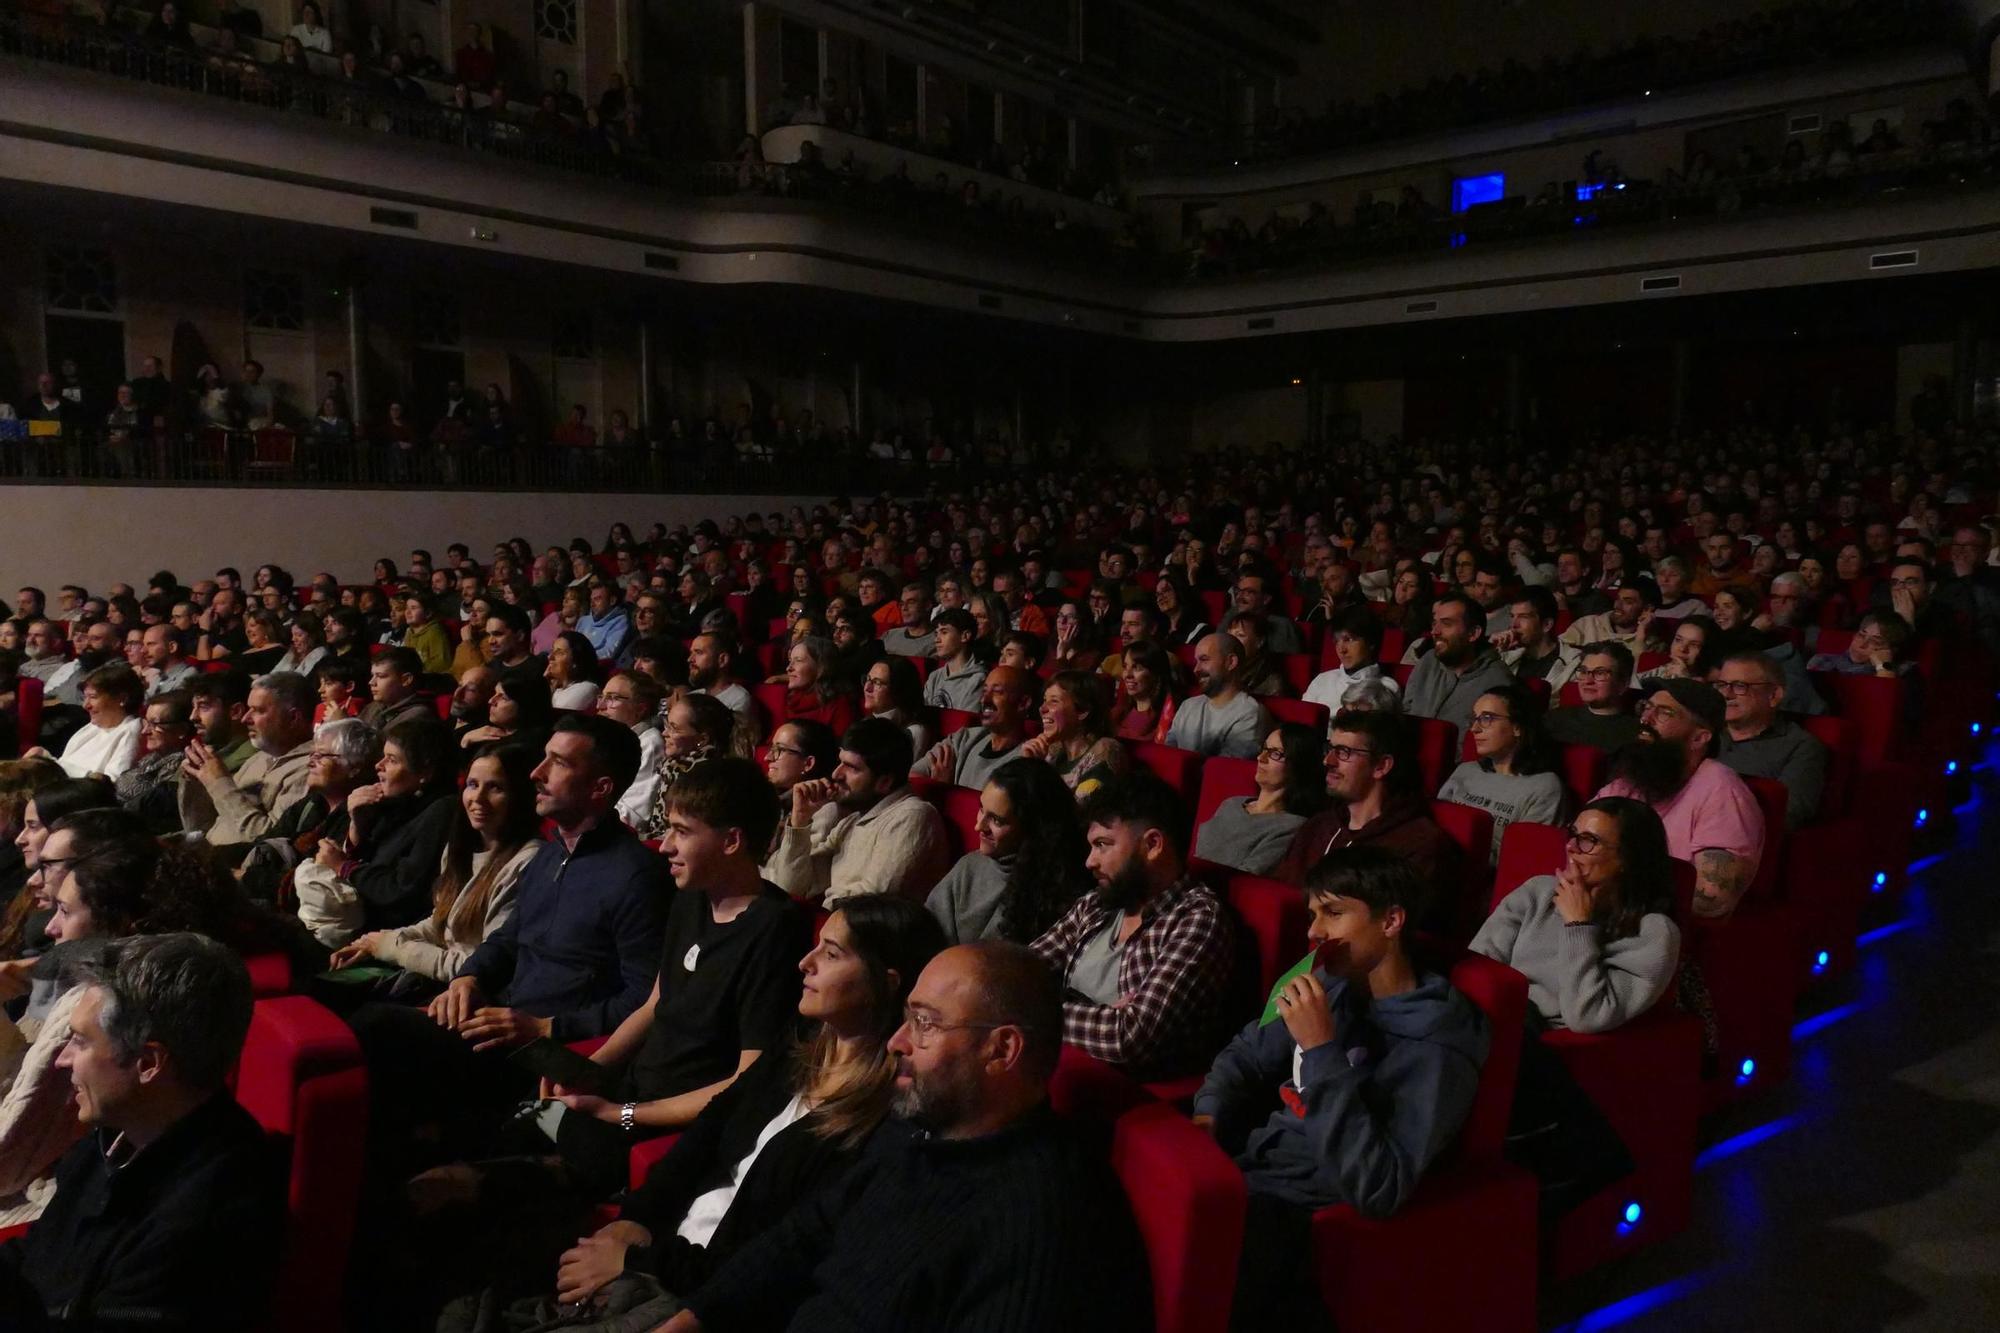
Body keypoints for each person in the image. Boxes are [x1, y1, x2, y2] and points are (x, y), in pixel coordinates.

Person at [487, 897, 946, 1327]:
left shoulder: (883, 1118)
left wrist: (636, 1261)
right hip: (665, 1245)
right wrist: (634, 1220)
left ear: (884, 983)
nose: (805, 964)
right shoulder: (800, 1044)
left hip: (701, 1293)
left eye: (831, 953)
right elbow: (709, 1128)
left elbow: (773, 1258)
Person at [650, 941, 1146, 1333]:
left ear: (1002, 1050)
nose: (897, 1042)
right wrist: (695, 1318)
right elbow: (802, 1236)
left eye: (925, 1024)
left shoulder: (1039, 1222)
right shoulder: (914, 1133)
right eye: (907, 1017)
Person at [346, 717, 667, 1167]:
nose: (536, 773)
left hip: (546, 1051)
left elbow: (643, 998)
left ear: (600, 788)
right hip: (499, 1024)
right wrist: (471, 976)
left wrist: (546, 1028)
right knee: (360, 1023)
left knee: (376, 1030)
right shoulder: (551, 852)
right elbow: (509, 937)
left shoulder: (635, 876)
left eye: (556, 763)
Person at [1196, 847, 1489, 1329]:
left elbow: (1379, 1188)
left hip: (1300, 1211)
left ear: (1391, 920)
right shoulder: (1330, 984)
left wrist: (1320, 1051)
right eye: (1313, 913)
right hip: (1248, 1170)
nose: (1313, 932)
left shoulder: (1438, 1043)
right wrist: (1207, 1117)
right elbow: (1245, 1054)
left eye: (1333, 913)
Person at [496, 759, 813, 1200]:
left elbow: (746, 1080)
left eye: (682, 831)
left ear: (731, 840)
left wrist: (622, 1113)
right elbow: (654, 1005)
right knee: (512, 1120)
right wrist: (587, 1071)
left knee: (517, 1179)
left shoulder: (774, 930)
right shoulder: (690, 899)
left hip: (670, 1119)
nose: (664, 845)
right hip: (628, 1094)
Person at [0, 934, 282, 1331]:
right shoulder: (119, 1130)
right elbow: (40, 1256)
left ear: (148, 1062)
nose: (63, 1060)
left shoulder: (205, 1217)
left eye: (80, 1042)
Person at [1029, 773, 1235, 1078]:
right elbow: (1021, 968)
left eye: (1102, 845)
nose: (1090, 861)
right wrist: (1099, 1017)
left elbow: (1128, 1037)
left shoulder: (1196, 918)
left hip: (1123, 1088)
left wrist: (1034, 1011)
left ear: (1152, 844)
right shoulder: (1098, 903)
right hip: (1058, 1058)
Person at [1472, 797, 1680, 1034]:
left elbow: (1587, 1017)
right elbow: (1478, 967)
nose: (1570, 846)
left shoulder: (1653, 933)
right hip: (1490, 1018)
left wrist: (1578, 925)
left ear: (1627, 859)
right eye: (1573, 834)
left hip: (1542, 1044)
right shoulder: (1539, 891)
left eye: (1589, 841)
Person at [1275, 710, 1465, 933]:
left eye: (1344, 752)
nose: (1328, 761)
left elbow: (1391, 937)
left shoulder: (1420, 845)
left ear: (1381, 766)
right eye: (1330, 748)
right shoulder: (1318, 826)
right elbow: (1281, 895)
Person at [1594, 679, 1764, 920]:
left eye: (1664, 712)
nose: (1646, 719)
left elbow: (1711, 900)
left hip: (1658, 931)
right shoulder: (1631, 780)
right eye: (1646, 707)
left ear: (1699, 738)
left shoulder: (1721, 790)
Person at [291, 716, 459, 947]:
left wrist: (342, 866)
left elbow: (401, 892)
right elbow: (368, 859)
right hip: (357, 922)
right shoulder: (395, 803)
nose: (378, 766)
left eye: (391, 760)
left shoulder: (443, 811)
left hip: (388, 934)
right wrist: (357, 825)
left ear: (425, 772)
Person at [765, 717, 948, 905]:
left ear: (884, 782)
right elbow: (792, 888)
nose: (836, 774)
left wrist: (821, 910)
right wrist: (800, 822)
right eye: (840, 762)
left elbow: (873, 901)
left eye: (851, 767)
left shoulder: (913, 816)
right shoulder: (851, 820)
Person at [926, 760, 1090, 945]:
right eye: (981, 809)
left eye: (997, 820)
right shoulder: (969, 866)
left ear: (1033, 826)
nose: (978, 826)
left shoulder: (1057, 891)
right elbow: (924, 928)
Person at [176, 671, 315, 852]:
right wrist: (196, 782)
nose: (245, 718)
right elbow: (201, 827)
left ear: (293, 717)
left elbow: (268, 841)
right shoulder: (257, 759)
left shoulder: (310, 769)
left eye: (258, 710)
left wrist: (218, 782)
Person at [1436, 683, 1567, 867]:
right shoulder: (1466, 770)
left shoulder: (1544, 787)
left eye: (1486, 718)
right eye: (1474, 719)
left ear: (1517, 727)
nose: (1474, 728)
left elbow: (1521, 861)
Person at [1193, 722, 1329, 877]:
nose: (1260, 758)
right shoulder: (1232, 803)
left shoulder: (1292, 827)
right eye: (1264, 749)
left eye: (1275, 753)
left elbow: (1246, 877)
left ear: (1298, 765)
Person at [1714, 651, 1829, 828]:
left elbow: (1789, 812)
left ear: (1773, 695)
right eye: (1722, 684)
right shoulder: (1703, 730)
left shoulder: (1800, 746)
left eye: (1739, 685)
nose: (1726, 694)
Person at [1404, 592, 1513, 741]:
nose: (1435, 631)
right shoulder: (1428, 660)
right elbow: (1407, 710)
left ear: (1473, 633)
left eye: (1447, 624)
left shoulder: (1498, 681)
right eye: (1434, 623)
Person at [912, 666, 1036, 790]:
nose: (984, 700)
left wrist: (946, 790)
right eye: (985, 691)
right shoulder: (963, 738)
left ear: (1023, 703)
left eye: (997, 691)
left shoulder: (1026, 759)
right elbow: (913, 776)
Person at [1016, 670, 1127, 797]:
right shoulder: (1051, 750)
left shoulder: (1106, 749)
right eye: (1044, 700)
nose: (1042, 708)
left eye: (1054, 701)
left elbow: (1075, 812)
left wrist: (1037, 770)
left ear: (1083, 711)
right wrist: (1026, 766)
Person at [1164, 632, 1272, 760]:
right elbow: (1168, 755)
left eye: (1204, 660)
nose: (1196, 669)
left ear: (1231, 662)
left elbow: (1223, 770)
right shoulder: (1188, 705)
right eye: (1196, 661)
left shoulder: (1250, 713)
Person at [37, 664, 143, 782]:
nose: (85, 706)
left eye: (93, 697)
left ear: (122, 699)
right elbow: (64, 765)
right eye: (85, 698)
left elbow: (111, 783)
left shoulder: (131, 730)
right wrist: (44, 758)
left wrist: (49, 762)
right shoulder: (92, 727)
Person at [597, 670, 667, 830]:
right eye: (602, 697)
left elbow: (634, 816)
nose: (600, 706)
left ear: (640, 709)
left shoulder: (650, 742)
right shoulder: (604, 739)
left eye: (612, 698)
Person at [1544, 643, 1644, 754]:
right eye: (1583, 671)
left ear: (1623, 684)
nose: (1587, 680)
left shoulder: (1635, 735)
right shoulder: (1554, 719)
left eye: (1600, 673)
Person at [1302, 608, 1398, 711]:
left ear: (1371, 642)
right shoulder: (1322, 680)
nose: (1341, 649)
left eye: (1348, 640)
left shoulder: (1387, 687)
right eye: (1336, 641)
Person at [1495, 587, 1581, 691]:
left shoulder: (1573, 662)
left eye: (1523, 617)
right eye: (1512, 616)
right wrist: (1495, 656)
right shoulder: (1505, 658)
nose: (1514, 625)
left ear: (1546, 625)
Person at [459, 667, 556, 756]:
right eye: (495, 693)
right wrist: (466, 740)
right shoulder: (484, 727)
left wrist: (465, 741)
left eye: (503, 698)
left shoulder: (528, 747)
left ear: (525, 705)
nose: (491, 701)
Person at [860, 657, 933, 759]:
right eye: (868, 679)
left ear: (898, 690)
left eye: (877, 682)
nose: (867, 688)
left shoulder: (914, 732)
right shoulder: (866, 722)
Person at [1111, 639, 1178, 742]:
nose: (1127, 675)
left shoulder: (1168, 716)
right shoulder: (1119, 712)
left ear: (1155, 673)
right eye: (1125, 667)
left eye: (1137, 668)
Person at [919, 608, 986, 712]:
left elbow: (966, 722)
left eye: (944, 632)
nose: (937, 639)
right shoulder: (934, 677)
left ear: (965, 636)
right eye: (936, 633)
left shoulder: (978, 679)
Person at [762, 719, 838, 803]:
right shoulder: (763, 797)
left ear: (808, 764)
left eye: (780, 749)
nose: (767, 757)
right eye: (772, 748)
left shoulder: (820, 810)